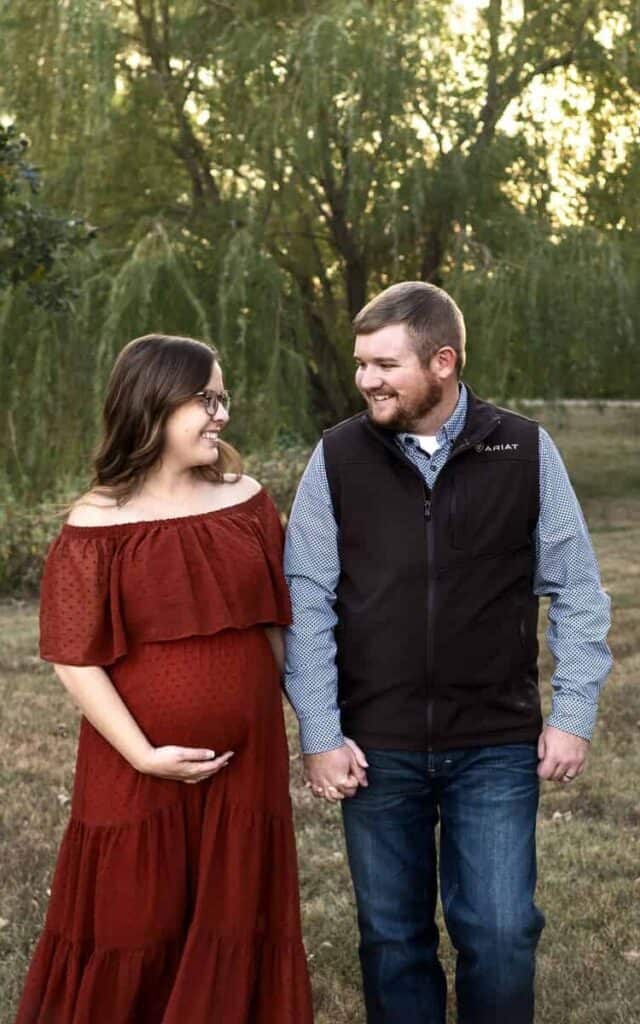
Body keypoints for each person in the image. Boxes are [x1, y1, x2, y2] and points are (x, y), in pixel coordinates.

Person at [283, 282, 612, 1024]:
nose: (366, 379)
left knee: (500, 933)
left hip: (494, 742)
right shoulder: (337, 457)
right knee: (392, 939)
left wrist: (573, 714)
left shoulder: (524, 449)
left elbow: (577, 590)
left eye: (385, 364)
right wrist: (320, 732)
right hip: (376, 746)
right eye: (361, 363)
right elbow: (306, 603)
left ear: (442, 361)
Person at [16, 334, 313, 1024]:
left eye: (222, 398)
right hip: (135, 766)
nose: (221, 414)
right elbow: (75, 658)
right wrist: (144, 755)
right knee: (134, 920)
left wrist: (300, 724)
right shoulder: (96, 523)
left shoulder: (247, 502)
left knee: (236, 915)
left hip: (247, 767)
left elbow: (279, 626)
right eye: (205, 399)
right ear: (152, 404)